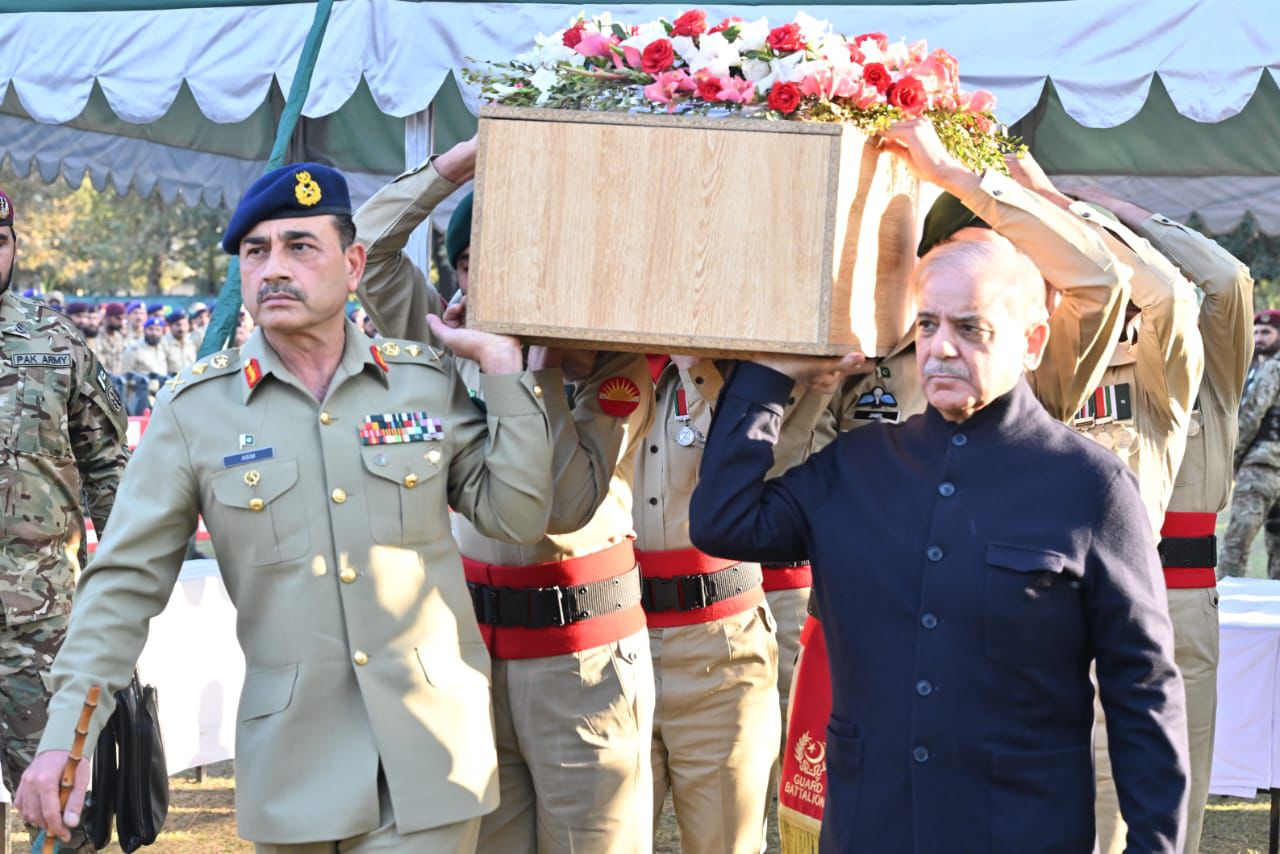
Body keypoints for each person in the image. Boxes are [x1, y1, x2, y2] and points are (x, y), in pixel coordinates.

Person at [16, 163, 557, 853]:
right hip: (295, 769)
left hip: (430, 761)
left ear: (354, 263)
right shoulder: (196, 412)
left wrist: (507, 373)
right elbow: (122, 584)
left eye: (300, 247)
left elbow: (515, 515)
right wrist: (68, 734)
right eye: (256, 251)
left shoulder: (420, 384)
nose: (274, 268)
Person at [689, 235, 1190, 853]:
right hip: (873, 827)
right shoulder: (857, 465)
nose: (941, 348)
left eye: (971, 328)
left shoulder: (1090, 486)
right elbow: (724, 522)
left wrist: (1155, 844)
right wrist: (769, 376)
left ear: (1031, 342)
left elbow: (1143, 687)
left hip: (1020, 832)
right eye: (928, 324)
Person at [777, 120, 1131, 850]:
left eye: (970, 319)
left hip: (1000, 646)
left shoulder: (1037, 361)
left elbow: (1102, 281)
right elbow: (802, 471)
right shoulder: (873, 358)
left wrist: (968, 180)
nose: (945, 342)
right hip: (873, 641)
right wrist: (809, 375)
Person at [356, 141, 661, 854]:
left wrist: (535, 371)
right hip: (470, 655)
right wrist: (456, 167)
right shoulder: (438, 336)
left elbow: (561, 508)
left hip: (579, 659)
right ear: (459, 271)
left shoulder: (609, 366)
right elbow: (364, 249)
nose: (500, 279)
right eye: (478, 261)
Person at [0, 187, 129, 854]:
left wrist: (130, 589)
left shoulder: (54, 342)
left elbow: (110, 471)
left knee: (60, 819)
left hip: (40, 630)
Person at [1135, 209, 1253, 853]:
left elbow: (1228, 281)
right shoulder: (1090, 361)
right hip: (1090, 590)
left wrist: (1132, 219)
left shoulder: (1216, 378)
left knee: (1180, 774)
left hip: (1181, 591)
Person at [1220, 310, 1280, 578]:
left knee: (1235, 546)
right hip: (1266, 466)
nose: (1260, 338)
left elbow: (1253, 413)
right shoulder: (1257, 367)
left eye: (1266, 332)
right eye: (1256, 333)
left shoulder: (1271, 368)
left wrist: (1232, 458)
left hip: (1261, 466)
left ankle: (1222, 611)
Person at [95, 302, 129, 375]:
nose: (121, 322)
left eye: (123, 319)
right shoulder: (97, 336)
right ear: (107, 317)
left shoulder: (120, 337)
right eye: (118, 318)